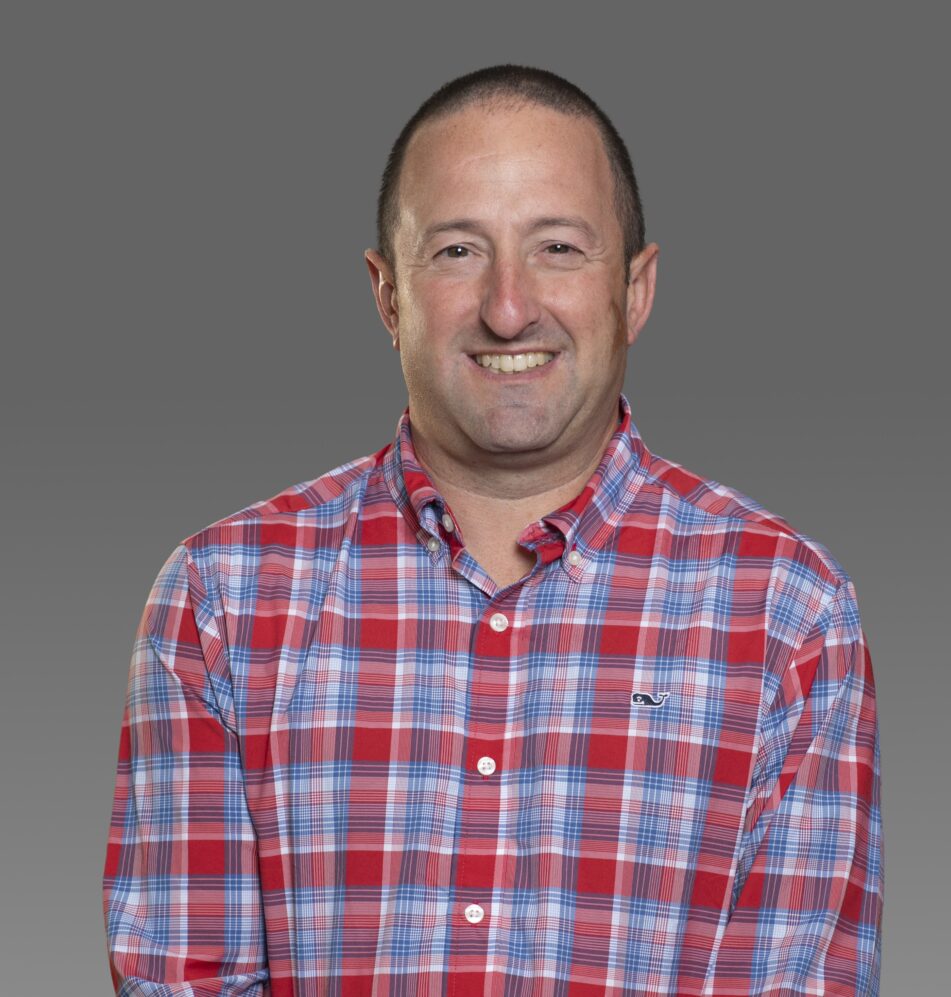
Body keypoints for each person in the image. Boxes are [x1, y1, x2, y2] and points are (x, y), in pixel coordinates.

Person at [103, 65, 883, 995]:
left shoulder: (790, 615)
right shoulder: (222, 599)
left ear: (635, 290)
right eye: (458, 251)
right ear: (387, 295)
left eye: (557, 247)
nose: (509, 306)